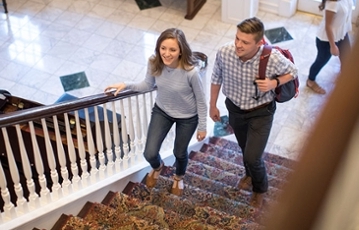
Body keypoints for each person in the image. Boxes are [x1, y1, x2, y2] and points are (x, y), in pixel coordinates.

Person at [104, 28, 207, 196]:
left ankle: (178, 177)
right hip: (162, 111)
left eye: (172, 50)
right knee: (149, 152)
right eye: (163, 48)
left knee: (179, 152)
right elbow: (147, 85)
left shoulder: (191, 72)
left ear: (181, 51)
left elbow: (201, 100)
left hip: (187, 117)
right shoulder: (154, 62)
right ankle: (158, 167)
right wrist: (126, 85)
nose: (166, 53)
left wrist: (202, 126)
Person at [209, 17, 298, 208]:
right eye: (237, 38)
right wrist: (212, 104)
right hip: (234, 109)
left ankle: (260, 189)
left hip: (261, 113)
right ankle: (249, 175)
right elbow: (216, 77)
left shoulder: (271, 58)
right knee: (244, 147)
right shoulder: (225, 51)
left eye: (245, 42)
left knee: (253, 156)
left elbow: (293, 71)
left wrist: (274, 83)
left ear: (259, 43)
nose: (238, 45)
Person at [307, 0, 355, 94]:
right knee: (321, 61)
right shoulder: (333, 0)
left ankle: (344, 81)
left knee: (347, 58)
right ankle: (310, 80)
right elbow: (328, 26)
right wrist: (333, 46)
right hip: (327, 39)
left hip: (342, 34)